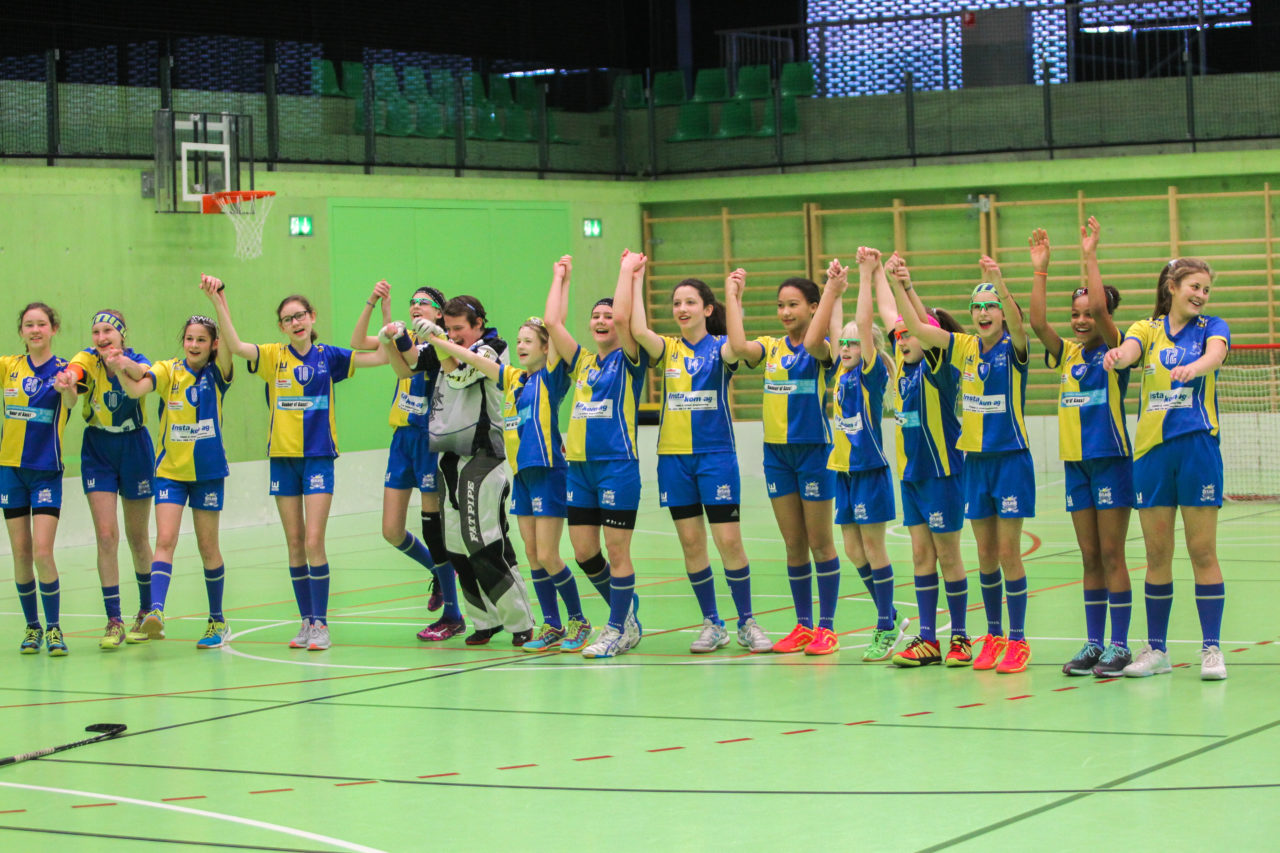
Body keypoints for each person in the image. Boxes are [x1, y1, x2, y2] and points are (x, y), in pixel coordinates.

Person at [202, 275, 384, 651]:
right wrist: (218, 299)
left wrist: (378, 307)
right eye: (287, 319)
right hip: (283, 461)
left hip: (318, 459)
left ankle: (322, 624)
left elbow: (382, 356)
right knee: (295, 543)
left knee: (315, 540)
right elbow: (234, 346)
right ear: (281, 327)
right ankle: (306, 621)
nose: (295, 323)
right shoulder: (272, 356)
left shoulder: (330, 357)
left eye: (300, 315)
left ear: (312, 317)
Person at [409, 302, 587, 653]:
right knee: (467, 547)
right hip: (504, 469)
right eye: (519, 340)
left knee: (496, 544)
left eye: (528, 341)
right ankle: (494, 620)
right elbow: (460, 365)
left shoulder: (536, 371)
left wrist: (441, 340)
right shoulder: (514, 378)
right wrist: (424, 337)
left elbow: (464, 372)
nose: (520, 346)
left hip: (512, 464)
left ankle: (552, 621)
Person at [890, 256, 1035, 674]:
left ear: (1003, 314)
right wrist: (904, 284)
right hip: (975, 464)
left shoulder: (1015, 348)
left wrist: (998, 282)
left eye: (991, 306)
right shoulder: (965, 348)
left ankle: (1019, 640)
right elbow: (920, 330)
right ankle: (992, 636)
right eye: (977, 306)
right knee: (986, 555)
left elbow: (1021, 323)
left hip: (1010, 462)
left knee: (1008, 552)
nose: (984, 312)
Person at [629, 268, 772, 654]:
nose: (682, 308)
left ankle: (747, 621)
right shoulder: (667, 348)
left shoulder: (722, 347)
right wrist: (633, 278)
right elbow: (639, 331)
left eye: (690, 302)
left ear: (708, 309)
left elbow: (741, 346)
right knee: (692, 544)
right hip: (673, 461)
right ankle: (712, 623)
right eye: (676, 303)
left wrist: (734, 295)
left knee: (729, 542)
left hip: (716, 457)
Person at [382, 295, 536, 647]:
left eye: (459, 329)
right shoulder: (444, 347)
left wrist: (438, 340)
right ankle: (484, 619)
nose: (454, 335)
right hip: (447, 456)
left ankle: (519, 621)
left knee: (484, 541)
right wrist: (397, 337)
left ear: (478, 323)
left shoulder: (493, 348)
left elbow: (461, 373)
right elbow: (409, 364)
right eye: (448, 329)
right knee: (455, 546)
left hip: (484, 455)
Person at [1103, 257, 1230, 681]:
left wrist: (1195, 367)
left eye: (1206, 289)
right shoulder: (1147, 329)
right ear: (1172, 286)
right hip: (1153, 453)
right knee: (1157, 555)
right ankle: (1157, 649)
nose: (1200, 295)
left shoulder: (1212, 327)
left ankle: (1211, 648)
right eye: (1194, 286)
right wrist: (1119, 357)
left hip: (1197, 447)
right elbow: (1130, 351)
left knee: (1202, 552)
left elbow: (1217, 354)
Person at [1029, 219, 1134, 677]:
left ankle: (1120, 645)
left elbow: (1108, 320)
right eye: (1075, 314)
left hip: (1110, 463)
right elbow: (1035, 322)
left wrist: (1089, 255)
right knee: (1089, 557)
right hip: (1078, 468)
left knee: (1113, 555)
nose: (1080, 320)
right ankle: (1093, 643)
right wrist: (1041, 271)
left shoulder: (1118, 347)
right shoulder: (1067, 354)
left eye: (1088, 312)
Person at [725, 269, 841, 655]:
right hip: (776, 455)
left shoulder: (820, 348)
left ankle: (826, 628)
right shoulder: (771, 347)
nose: (785, 312)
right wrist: (734, 295)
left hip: (813, 452)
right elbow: (739, 347)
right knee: (794, 544)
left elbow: (811, 340)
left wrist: (830, 293)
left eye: (793, 304)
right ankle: (803, 625)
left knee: (821, 543)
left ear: (812, 307)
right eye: (780, 305)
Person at [543, 251, 648, 658]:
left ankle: (618, 628)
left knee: (618, 551)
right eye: (597, 316)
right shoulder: (583, 362)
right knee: (585, 551)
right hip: (580, 470)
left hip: (617, 467)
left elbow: (626, 320)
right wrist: (561, 278)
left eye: (608, 315)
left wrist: (627, 273)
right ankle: (626, 616)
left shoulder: (630, 358)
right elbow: (552, 323)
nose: (603, 321)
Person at [111, 311, 235, 648]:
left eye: (201, 340)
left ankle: (217, 621)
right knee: (165, 540)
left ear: (213, 345)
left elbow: (229, 348)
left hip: (208, 473)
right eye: (189, 338)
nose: (194, 344)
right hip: (171, 473)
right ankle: (156, 612)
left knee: (208, 547)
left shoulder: (219, 374)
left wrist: (217, 299)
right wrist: (122, 365)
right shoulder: (169, 370)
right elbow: (138, 387)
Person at [350, 281, 464, 641]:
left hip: (430, 441)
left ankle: (453, 613)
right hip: (401, 440)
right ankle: (440, 571)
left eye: (424, 303)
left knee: (433, 527)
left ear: (439, 314)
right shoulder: (403, 340)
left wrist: (399, 335)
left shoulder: (441, 346)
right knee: (392, 531)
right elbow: (357, 343)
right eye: (412, 302)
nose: (416, 307)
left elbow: (411, 367)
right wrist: (376, 305)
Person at [805, 250, 904, 662]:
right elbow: (833, 326)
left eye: (851, 343)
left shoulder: (870, 372)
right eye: (841, 342)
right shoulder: (838, 373)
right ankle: (892, 615)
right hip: (842, 471)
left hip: (869, 469)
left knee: (873, 548)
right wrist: (836, 286)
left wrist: (867, 276)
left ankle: (885, 624)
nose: (844, 346)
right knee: (852, 550)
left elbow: (863, 326)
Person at [875, 254, 971, 668]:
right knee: (919, 558)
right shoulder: (902, 372)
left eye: (912, 334)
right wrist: (876, 272)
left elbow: (911, 321)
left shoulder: (940, 368)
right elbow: (888, 314)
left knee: (948, 556)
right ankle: (928, 639)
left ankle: (962, 637)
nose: (904, 338)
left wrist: (903, 284)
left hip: (942, 474)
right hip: (912, 478)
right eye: (899, 336)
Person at [65, 309, 155, 650]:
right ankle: (113, 618)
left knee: (137, 535)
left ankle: (147, 612)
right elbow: (75, 370)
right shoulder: (87, 359)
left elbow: (144, 376)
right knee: (106, 535)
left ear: (122, 335)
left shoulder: (135, 359)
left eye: (108, 331)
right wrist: (69, 380)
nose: (101, 338)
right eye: (96, 332)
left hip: (134, 446)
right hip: (98, 448)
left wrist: (122, 365)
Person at [3, 303, 75, 655]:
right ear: (21, 331)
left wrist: (67, 388)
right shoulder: (9, 367)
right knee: (20, 552)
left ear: (53, 329)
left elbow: (73, 400)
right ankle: (32, 627)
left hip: (46, 470)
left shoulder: (64, 371)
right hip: (10, 470)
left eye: (41, 324)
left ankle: (54, 628)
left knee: (42, 552)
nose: (35, 330)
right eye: (29, 325)